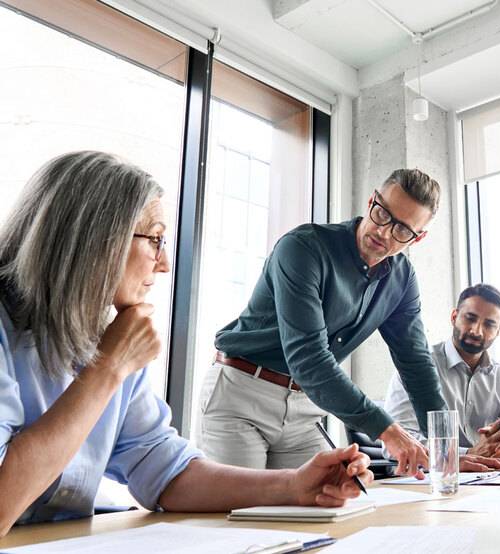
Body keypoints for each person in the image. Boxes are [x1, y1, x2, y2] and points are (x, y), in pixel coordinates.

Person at [0, 151, 373, 537]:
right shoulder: (107, 350)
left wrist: (293, 486)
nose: (163, 265)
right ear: (96, 240)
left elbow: (162, 467)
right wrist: (108, 369)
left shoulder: (109, 337)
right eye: (156, 240)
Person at [200, 168, 500, 477]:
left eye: (403, 230)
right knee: (240, 515)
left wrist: (448, 451)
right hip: (242, 395)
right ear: (372, 200)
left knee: (330, 508)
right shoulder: (303, 248)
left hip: (303, 411)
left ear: (419, 237)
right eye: (382, 214)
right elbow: (309, 359)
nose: (384, 233)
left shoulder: (401, 279)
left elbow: (416, 365)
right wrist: (387, 430)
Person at [384, 284, 500, 460]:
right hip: (433, 479)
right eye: (470, 319)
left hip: (488, 479)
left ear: (498, 331)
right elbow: (396, 442)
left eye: (489, 324)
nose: (476, 331)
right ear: (454, 317)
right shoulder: (415, 367)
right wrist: (465, 455)